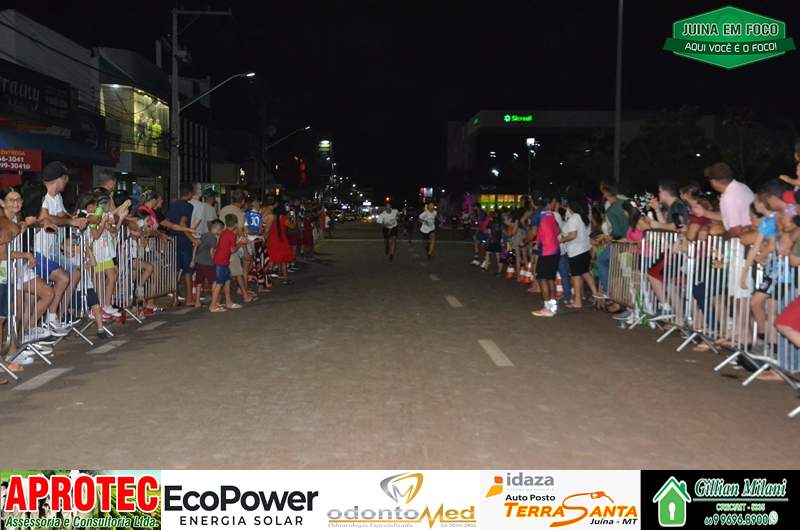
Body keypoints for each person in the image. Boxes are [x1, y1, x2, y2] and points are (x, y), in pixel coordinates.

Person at [34, 161, 87, 335]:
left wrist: (75, 218)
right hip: (37, 251)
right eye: (66, 178)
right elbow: (46, 218)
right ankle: (48, 320)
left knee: (71, 275)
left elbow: (61, 214)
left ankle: (55, 317)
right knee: (62, 279)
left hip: (50, 251)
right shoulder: (43, 197)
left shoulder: (57, 197)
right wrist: (71, 221)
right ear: (59, 179)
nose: (67, 182)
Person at [164, 183, 199, 306]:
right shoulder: (188, 206)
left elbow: (168, 222)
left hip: (173, 240)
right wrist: (192, 238)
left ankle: (175, 298)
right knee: (188, 271)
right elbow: (183, 223)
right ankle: (189, 299)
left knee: (175, 270)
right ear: (189, 194)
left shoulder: (173, 205)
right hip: (184, 240)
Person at [560, 200, 599, 309]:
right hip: (584, 249)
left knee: (576, 276)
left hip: (576, 251)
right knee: (586, 273)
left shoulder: (574, 218)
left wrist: (561, 240)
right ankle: (597, 296)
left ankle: (578, 301)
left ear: (571, 208)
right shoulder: (583, 217)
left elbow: (573, 235)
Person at [595, 182, 628, 299]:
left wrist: (607, 237)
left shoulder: (611, 210)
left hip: (622, 243)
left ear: (606, 193)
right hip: (634, 239)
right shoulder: (625, 202)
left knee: (601, 261)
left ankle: (608, 290)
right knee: (626, 273)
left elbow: (618, 232)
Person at [704, 161, 754, 239]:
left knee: (714, 230)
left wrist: (723, 238)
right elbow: (727, 216)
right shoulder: (742, 186)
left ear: (713, 181)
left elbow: (736, 230)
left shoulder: (729, 197)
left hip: (744, 238)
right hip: (753, 233)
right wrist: (704, 213)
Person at [531, 196, 560, 317]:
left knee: (542, 279)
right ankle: (552, 307)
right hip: (555, 250)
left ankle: (547, 308)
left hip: (546, 250)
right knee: (550, 279)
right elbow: (558, 230)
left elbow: (533, 233)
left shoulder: (538, 214)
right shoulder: (550, 214)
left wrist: (525, 241)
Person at [209, 217, 244, 313]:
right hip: (221, 262)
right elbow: (232, 250)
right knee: (219, 283)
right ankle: (212, 305)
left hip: (222, 261)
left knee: (227, 280)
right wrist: (240, 243)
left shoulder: (224, 232)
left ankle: (228, 302)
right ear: (235, 224)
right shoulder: (232, 234)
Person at [193, 216, 220, 308]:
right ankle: (214, 301)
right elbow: (212, 251)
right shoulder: (213, 238)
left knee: (199, 282)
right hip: (208, 263)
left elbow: (196, 245)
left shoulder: (204, 235)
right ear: (217, 230)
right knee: (214, 281)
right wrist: (214, 261)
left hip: (199, 261)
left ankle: (197, 302)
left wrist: (193, 259)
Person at [267, 203, 295, 284]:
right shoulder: (284, 218)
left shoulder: (271, 217)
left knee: (272, 259)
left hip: (272, 240)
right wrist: (294, 218)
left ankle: (266, 278)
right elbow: (292, 226)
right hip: (281, 240)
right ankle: (285, 279)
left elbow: (266, 229)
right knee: (283, 260)